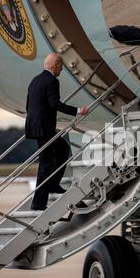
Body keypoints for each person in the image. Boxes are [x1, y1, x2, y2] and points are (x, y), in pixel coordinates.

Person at [25, 53, 88, 211]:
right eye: (60, 66)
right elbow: (55, 104)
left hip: (34, 125)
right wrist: (78, 110)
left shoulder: (35, 80)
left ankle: (52, 185)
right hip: (44, 127)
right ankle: (39, 202)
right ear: (54, 65)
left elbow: (28, 105)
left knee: (60, 149)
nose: (61, 70)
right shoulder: (52, 80)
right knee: (48, 161)